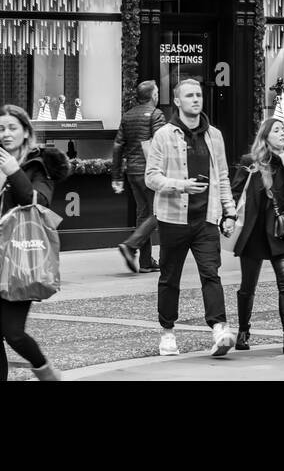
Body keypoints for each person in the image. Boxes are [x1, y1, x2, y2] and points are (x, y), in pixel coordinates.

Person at [0, 104, 68, 381]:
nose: (6, 134)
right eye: (1, 128)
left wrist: (13, 170)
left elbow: (37, 202)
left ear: (26, 132)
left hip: (21, 256)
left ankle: (45, 371)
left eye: (12, 128)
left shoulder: (38, 165)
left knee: (13, 332)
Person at [145, 78, 238, 358]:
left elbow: (222, 176)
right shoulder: (163, 135)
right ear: (177, 101)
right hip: (173, 218)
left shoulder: (215, 135)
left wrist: (229, 211)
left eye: (198, 95)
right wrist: (181, 184)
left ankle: (219, 328)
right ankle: (168, 332)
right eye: (189, 96)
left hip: (206, 217)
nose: (196, 99)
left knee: (211, 274)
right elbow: (151, 177)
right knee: (169, 277)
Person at [232, 117, 284, 354]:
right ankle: (243, 332)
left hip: (279, 231)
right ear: (265, 137)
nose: (282, 133)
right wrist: (228, 218)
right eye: (276, 130)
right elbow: (236, 193)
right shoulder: (251, 162)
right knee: (248, 285)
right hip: (254, 231)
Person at [113, 80, 166, 274]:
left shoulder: (127, 116)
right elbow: (162, 143)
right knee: (160, 212)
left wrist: (117, 175)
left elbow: (118, 145)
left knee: (143, 214)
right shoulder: (156, 114)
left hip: (133, 171)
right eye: (157, 92)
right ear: (153, 96)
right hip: (150, 171)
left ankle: (145, 262)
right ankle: (131, 245)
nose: (158, 95)